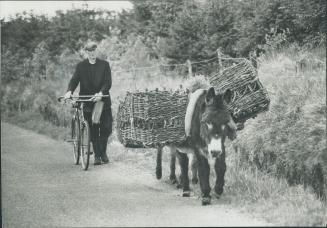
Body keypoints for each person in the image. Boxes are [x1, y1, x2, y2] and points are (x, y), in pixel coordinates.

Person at [64, 41, 112, 165]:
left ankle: (103, 152)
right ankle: (97, 156)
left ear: (97, 51)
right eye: (89, 51)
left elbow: (108, 82)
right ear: (86, 52)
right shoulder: (81, 66)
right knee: (94, 128)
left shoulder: (104, 65)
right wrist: (69, 91)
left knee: (106, 128)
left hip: (102, 101)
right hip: (87, 101)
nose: (92, 53)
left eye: (94, 51)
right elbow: (74, 80)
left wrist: (101, 93)